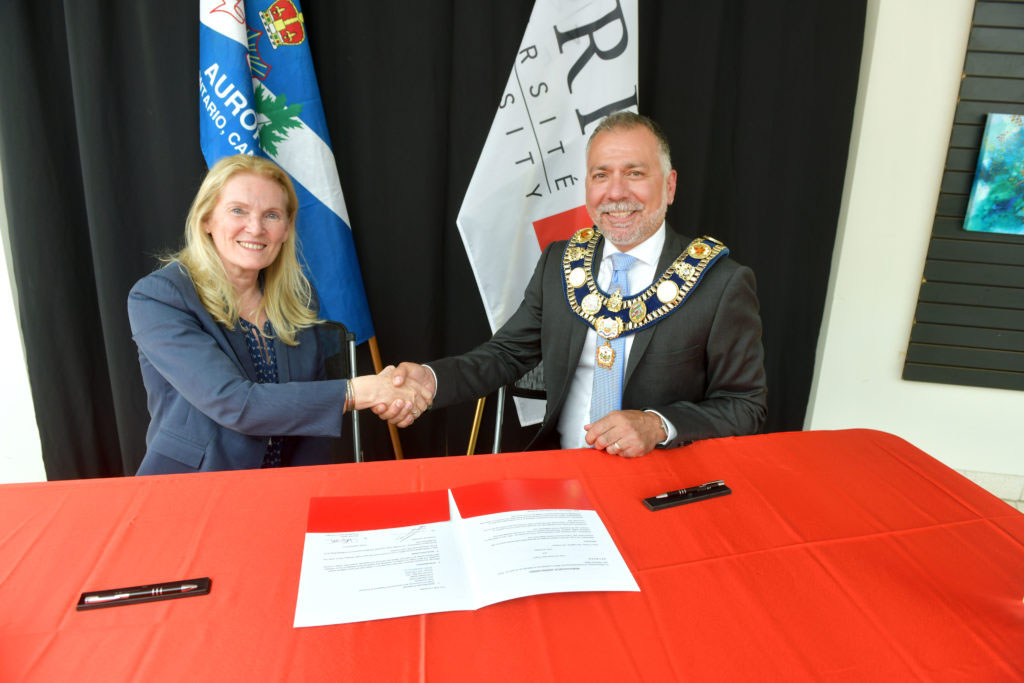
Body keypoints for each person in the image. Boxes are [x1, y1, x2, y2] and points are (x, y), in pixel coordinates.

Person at [381, 112, 766, 457]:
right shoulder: (560, 262)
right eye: (601, 175)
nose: (615, 192)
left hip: (662, 482)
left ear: (669, 185)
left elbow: (745, 405)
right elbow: (506, 356)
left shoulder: (721, 283)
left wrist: (657, 424)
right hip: (560, 475)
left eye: (634, 173)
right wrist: (430, 380)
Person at [128, 154, 430, 474]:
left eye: (271, 215)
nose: (256, 228)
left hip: (282, 493)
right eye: (238, 211)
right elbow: (237, 404)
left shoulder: (298, 300)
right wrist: (360, 391)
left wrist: (305, 501)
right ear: (206, 220)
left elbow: (309, 430)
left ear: (286, 229)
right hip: (190, 494)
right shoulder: (160, 296)